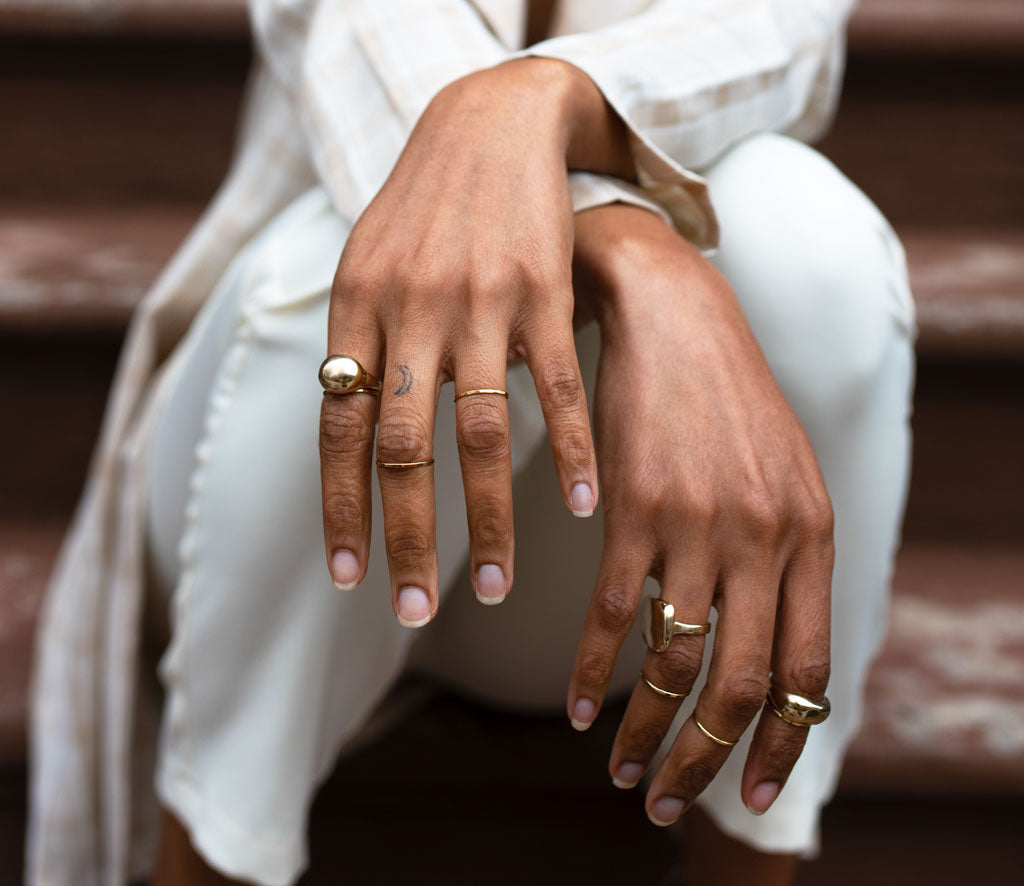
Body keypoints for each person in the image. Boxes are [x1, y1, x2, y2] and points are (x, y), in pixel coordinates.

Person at [27, 1, 916, 884]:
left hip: (585, 587)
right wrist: (630, 247)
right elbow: (361, 33)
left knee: (808, 233)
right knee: (346, 257)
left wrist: (546, 95)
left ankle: (749, 848)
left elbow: (773, 40)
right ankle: (216, 847)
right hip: (310, 520)